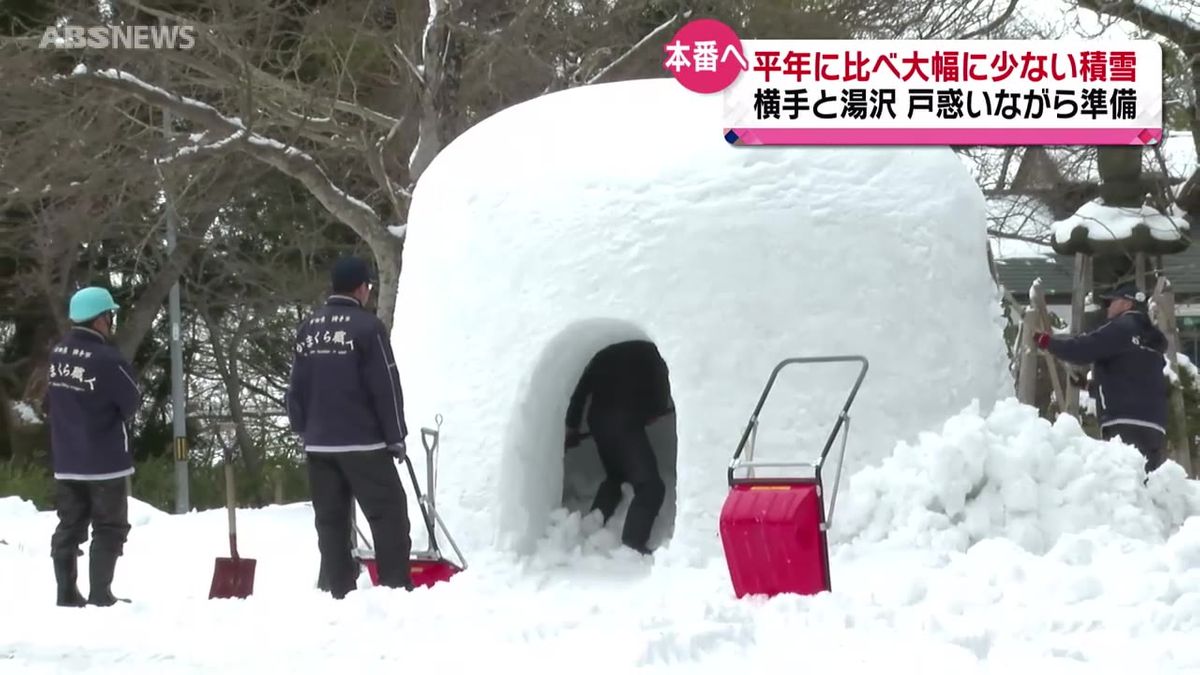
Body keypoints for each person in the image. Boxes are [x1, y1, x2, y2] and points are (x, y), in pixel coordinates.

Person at [286, 255, 412, 598]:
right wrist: (395, 435)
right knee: (388, 514)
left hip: (319, 444)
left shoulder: (308, 328)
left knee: (330, 519)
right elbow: (385, 385)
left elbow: (295, 385)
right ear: (361, 288)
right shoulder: (367, 328)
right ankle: (395, 587)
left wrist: (302, 427)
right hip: (363, 443)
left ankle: (339, 590)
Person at [45, 286, 141, 607]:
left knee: (69, 525)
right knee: (109, 525)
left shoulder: (59, 354)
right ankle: (102, 593)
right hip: (105, 460)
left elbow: (50, 402)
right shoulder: (107, 359)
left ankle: (66, 593)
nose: (111, 322)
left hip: (66, 458)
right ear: (100, 320)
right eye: (110, 316)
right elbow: (131, 403)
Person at [1035, 282, 1169, 475]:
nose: (1109, 306)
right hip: (1155, 425)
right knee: (1144, 486)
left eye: (1112, 301)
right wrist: (1089, 386)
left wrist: (1047, 342)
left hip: (1123, 422)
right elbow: (1134, 380)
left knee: (1122, 483)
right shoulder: (1152, 339)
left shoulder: (1121, 328)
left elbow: (1082, 349)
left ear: (1126, 304)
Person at [565, 340, 673, 555]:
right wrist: (654, 409)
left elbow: (582, 389)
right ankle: (632, 546)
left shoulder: (603, 352)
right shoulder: (651, 350)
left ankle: (594, 522)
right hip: (625, 421)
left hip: (598, 419)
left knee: (617, 476)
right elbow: (661, 383)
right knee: (650, 487)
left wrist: (573, 426)